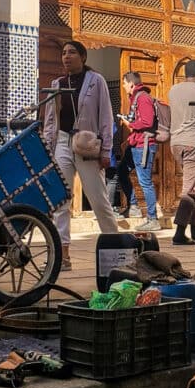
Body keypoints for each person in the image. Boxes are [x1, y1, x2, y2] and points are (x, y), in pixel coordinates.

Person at [43, 39, 118, 271]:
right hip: (62, 143)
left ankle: (117, 251)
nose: (66, 56)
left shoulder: (96, 81)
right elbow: (50, 120)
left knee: (98, 200)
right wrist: (48, 148)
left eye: (72, 52)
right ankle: (62, 255)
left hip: (88, 145)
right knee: (61, 201)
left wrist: (106, 150)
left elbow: (106, 116)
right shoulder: (57, 84)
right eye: (64, 53)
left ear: (83, 57)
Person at [168, 59, 195, 246]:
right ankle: (179, 233)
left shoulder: (173, 90)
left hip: (176, 144)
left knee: (193, 186)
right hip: (194, 144)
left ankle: (194, 231)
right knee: (190, 189)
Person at [118, 71, 160, 232]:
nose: (123, 86)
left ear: (131, 83)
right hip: (135, 143)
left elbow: (147, 122)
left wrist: (130, 125)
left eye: (124, 83)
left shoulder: (143, 98)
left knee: (145, 182)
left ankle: (153, 219)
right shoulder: (135, 97)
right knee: (122, 171)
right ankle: (134, 206)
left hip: (144, 145)